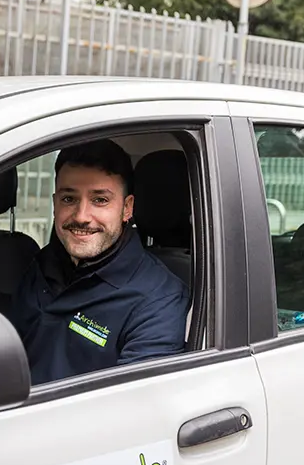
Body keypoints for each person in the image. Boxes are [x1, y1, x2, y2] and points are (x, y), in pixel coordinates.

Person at [10, 139, 190, 385]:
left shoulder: (158, 299)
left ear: (127, 208)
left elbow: (136, 406)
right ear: (54, 204)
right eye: (68, 199)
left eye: (100, 200)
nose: (82, 216)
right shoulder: (41, 264)